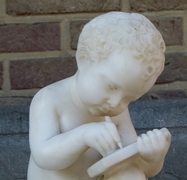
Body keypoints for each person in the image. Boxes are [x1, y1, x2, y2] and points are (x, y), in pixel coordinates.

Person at [27, 12, 171, 180]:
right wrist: (83, 135)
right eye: (111, 87)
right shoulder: (49, 99)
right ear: (84, 59)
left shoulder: (117, 112)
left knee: (130, 174)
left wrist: (152, 158)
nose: (116, 103)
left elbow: (131, 162)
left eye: (128, 99)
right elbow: (43, 157)